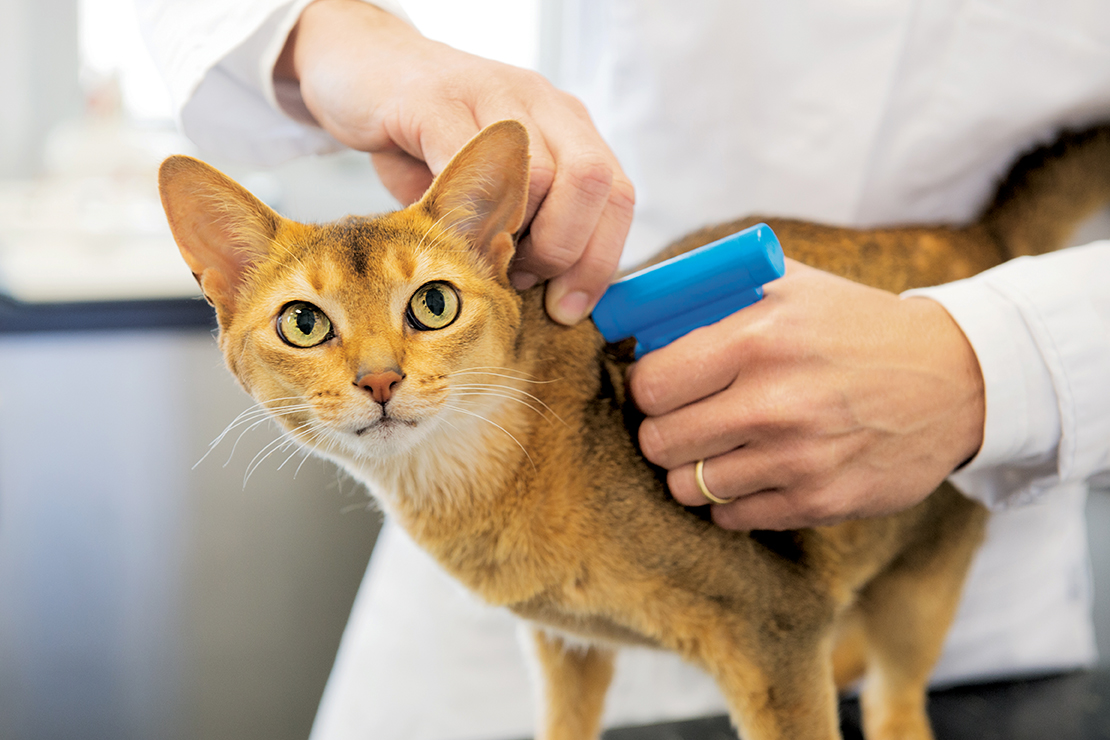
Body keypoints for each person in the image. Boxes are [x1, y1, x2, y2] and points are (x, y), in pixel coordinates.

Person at [139, 1, 1110, 737]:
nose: (377, 373)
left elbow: (779, 616)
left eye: (424, 310)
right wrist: (337, 34)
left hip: (993, 372)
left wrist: (999, 359)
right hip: (570, 319)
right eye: (308, 325)